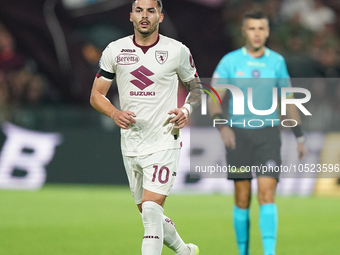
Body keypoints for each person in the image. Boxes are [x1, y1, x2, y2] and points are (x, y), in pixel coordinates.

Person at [90, 1, 201, 254]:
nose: (144, 16)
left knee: (151, 212)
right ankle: (185, 251)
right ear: (131, 16)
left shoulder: (177, 51)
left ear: (160, 17)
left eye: (151, 11)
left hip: (164, 139)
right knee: (148, 213)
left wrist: (186, 110)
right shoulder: (115, 50)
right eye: (139, 10)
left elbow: (196, 88)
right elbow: (97, 95)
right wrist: (114, 113)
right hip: (131, 142)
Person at [208, 9, 307, 255]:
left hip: (268, 135)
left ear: (267, 31)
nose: (256, 33)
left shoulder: (276, 62)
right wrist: (222, 126)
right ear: (244, 31)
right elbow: (213, 98)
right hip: (238, 135)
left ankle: (269, 253)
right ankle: (244, 252)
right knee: (242, 198)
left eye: (261, 28)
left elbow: (289, 100)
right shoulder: (230, 61)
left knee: (266, 193)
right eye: (252, 28)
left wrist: (300, 135)